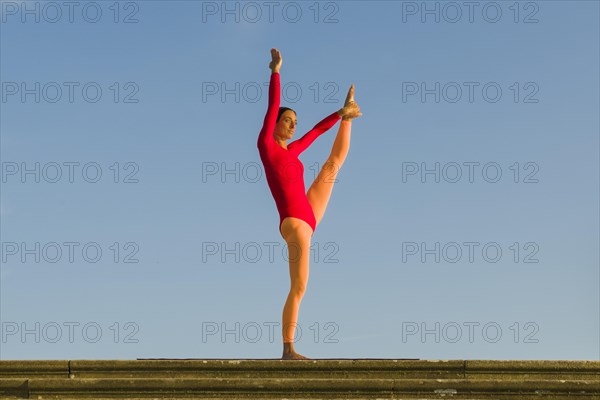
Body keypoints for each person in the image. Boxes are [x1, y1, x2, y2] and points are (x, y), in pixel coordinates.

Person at [257, 48, 362, 360]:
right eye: (288, 120)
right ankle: (288, 347)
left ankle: (351, 116)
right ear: (274, 124)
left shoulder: (292, 151)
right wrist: (276, 71)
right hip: (294, 222)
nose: (292, 125)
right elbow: (273, 104)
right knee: (299, 287)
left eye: (294, 121)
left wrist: (341, 114)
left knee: (332, 165)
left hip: (308, 212)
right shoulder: (267, 146)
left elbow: (315, 131)